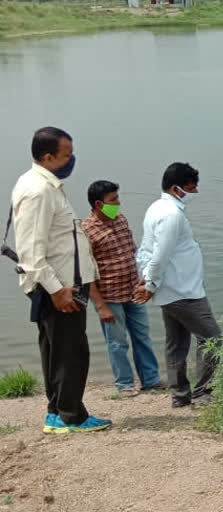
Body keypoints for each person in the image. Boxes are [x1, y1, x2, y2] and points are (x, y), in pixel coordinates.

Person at [10, 127, 111, 433]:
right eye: (66, 155)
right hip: (58, 287)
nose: (71, 160)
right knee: (71, 351)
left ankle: (57, 412)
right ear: (48, 156)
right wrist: (56, 290)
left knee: (55, 350)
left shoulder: (46, 185)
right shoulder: (38, 191)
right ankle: (72, 415)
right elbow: (30, 252)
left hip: (62, 283)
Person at [134, 162, 221, 408]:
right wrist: (150, 283)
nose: (194, 194)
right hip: (182, 290)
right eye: (191, 189)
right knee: (212, 337)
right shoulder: (170, 215)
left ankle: (180, 396)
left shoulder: (157, 208)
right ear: (176, 188)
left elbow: (146, 249)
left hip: (173, 288)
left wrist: (148, 278)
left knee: (177, 342)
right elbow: (160, 253)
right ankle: (203, 393)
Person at [82, 180, 165, 397]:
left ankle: (151, 379)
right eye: (113, 200)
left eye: (117, 198)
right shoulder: (86, 231)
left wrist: (143, 278)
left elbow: (133, 251)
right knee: (117, 343)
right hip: (109, 297)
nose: (118, 203)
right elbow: (86, 273)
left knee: (142, 336)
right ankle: (124, 384)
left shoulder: (120, 220)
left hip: (132, 290)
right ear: (99, 204)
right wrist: (100, 306)